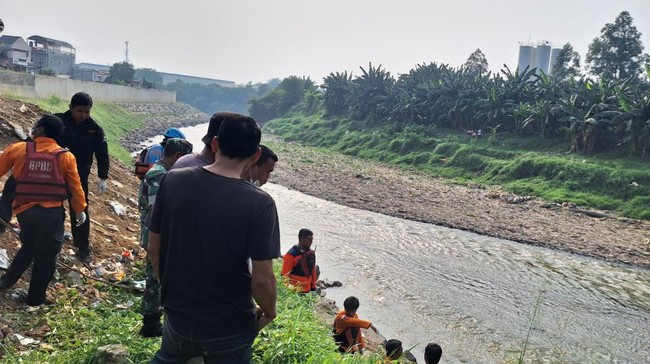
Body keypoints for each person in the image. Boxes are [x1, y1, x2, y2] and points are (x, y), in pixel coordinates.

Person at [147, 114, 280, 363]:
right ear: (256, 155)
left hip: (178, 315)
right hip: (230, 325)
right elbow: (263, 279)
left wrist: (171, 292)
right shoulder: (260, 203)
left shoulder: (173, 180)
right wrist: (270, 312)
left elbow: (155, 248)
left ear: (216, 144)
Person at [0, 115, 87, 305]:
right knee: (46, 257)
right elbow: (75, 188)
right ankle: (35, 299)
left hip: (24, 213)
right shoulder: (65, 156)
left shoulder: (18, 149)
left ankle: (6, 282)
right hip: (51, 214)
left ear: (39, 131)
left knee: (30, 246)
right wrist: (80, 210)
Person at [137, 138, 193, 337]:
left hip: (159, 235)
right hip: (156, 237)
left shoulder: (164, 174)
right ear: (178, 157)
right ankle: (150, 324)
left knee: (160, 277)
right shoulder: (158, 177)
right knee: (155, 279)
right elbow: (156, 213)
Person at [55, 92, 109, 263]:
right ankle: (51, 243)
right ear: (71, 108)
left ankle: (82, 248)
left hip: (79, 176)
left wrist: (103, 177)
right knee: (52, 208)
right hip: (54, 173)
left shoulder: (94, 129)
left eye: (87, 112)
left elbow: (102, 153)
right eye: (80, 111)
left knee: (80, 210)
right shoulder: (57, 122)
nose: (84, 115)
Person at [281, 228, 319, 293]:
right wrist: (290, 290)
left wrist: (313, 287)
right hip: (295, 291)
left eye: (312, 240)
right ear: (302, 239)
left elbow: (312, 271)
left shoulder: (310, 254)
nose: (311, 242)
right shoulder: (291, 255)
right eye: (309, 240)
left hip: (308, 290)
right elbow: (285, 275)